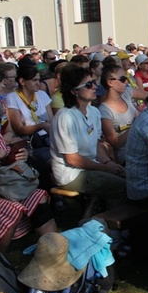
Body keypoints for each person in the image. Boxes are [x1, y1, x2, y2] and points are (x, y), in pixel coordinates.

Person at [50, 65, 126, 210]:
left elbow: (96, 143)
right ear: (74, 91)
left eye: (94, 83)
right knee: (121, 187)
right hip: (71, 174)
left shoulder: (93, 112)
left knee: (128, 176)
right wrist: (104, 168)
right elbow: (73, 159)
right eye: (88, 85)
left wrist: (108, 162)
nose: (94, 87)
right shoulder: (65, 117)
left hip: (91, 166)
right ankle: (113, 227)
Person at [6, 65, 53, 164]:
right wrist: (41, 126)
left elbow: (51, 120)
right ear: (22, 81)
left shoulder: (42, 95)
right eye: (34, 80)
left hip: (48, 139)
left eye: (39, 80)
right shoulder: (12, 97)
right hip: (31, 143)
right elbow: (19, 128)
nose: (38, 83)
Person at [98, 65, 138, 165]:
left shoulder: (126, 94)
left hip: (139, 143)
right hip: (126, 154)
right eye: (123, 79)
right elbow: (116, 143)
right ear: (110, 82)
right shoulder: (104, 111)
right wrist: (135, 125)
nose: (126, 82)